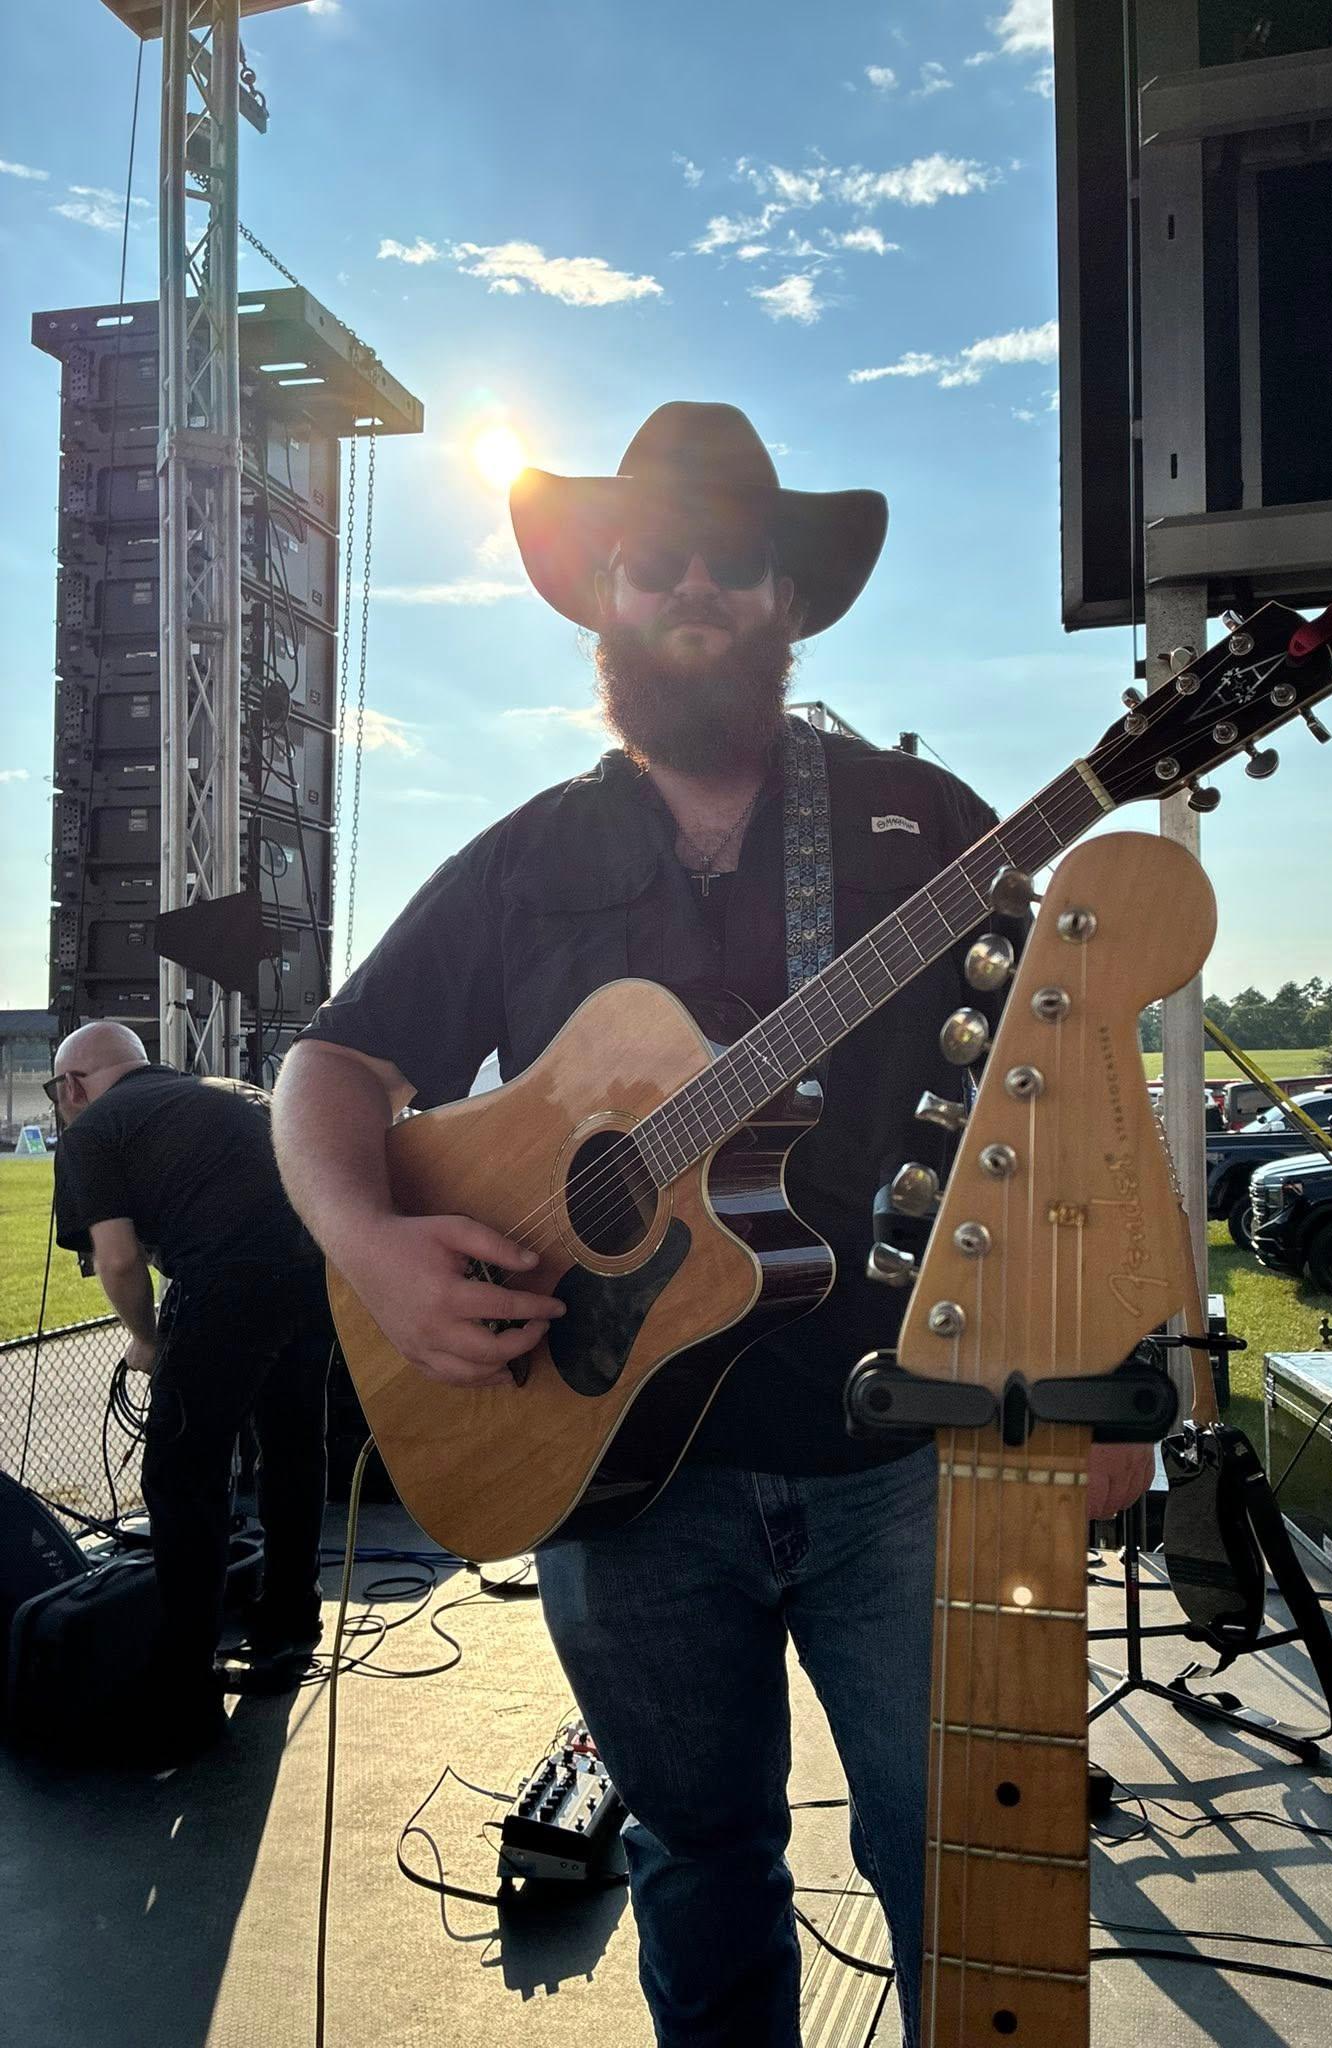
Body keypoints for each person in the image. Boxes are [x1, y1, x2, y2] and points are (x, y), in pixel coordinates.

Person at [272, 404, 1151, 2044]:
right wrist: (377, 1249)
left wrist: (1112, 1356)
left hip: (899, 1453)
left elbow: (1067, 1086)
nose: (693, 589)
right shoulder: (533, 857)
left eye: (731, 563)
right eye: (654, 560)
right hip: (605, 1466)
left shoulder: (919, 819)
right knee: (698, 1858)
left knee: (955, 1859)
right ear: (605, 592)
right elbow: (329, 1062)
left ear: (787, 601)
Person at [49, 1020, 333, 1762]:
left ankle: (183, 1694)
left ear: (74, 1084)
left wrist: (148, 1340)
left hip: (225, 1284)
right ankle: (289, 1628)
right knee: (295, 1449)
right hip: (315, 1271)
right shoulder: (238, 1091)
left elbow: (116, 1261)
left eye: (60, 1089)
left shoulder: (93, 1129)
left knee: (181, 1480)